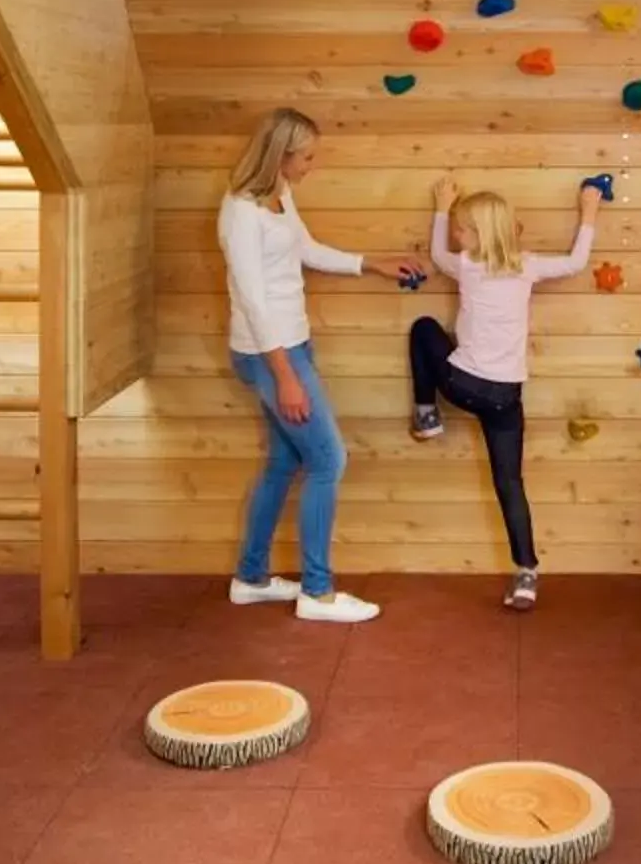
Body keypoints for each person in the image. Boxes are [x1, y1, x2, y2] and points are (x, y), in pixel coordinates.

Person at [218, 107, 424, 624]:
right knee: (329, 461)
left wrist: (369, 263)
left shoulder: (278, 194)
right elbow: (253, 301)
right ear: (281, 154)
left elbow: (305, 249)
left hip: (292, 346)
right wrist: (286, 376)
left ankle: (251, 578)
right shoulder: (241, 211)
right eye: (307, 156)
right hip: (270, 355)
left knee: (286, 463)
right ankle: (318, 592)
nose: (312, 164)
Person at [408, 175, 600, 611]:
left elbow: (439, 254)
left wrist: (441, 205)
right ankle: (527, 573)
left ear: (476, 234)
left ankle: (426, 414)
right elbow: (575, 262)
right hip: (504, 399)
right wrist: (589, 211)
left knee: (423, 328)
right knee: (509, 483)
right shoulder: (526, 265)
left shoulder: (468, 264)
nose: (456, 235)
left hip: (461, 386)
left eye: (461, 228)